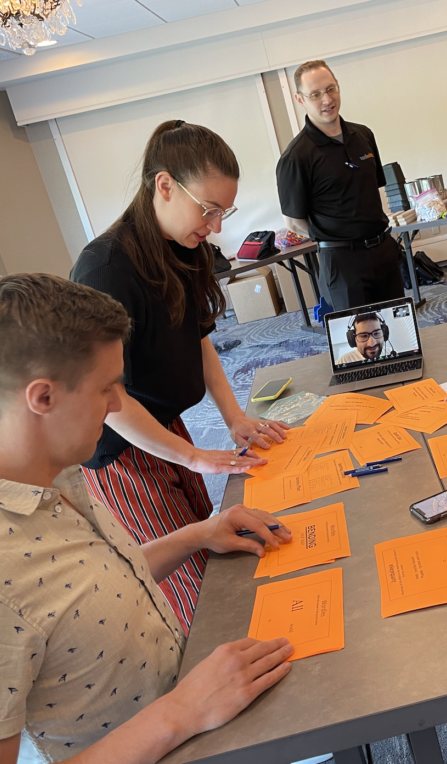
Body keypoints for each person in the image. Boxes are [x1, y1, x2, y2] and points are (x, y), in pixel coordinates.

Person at [0, 274, 294, 763]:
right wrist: (178, 713)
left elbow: (85, 594)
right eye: (107, 387)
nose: (119, 405)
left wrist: (196, 536)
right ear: (43, 398)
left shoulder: (41, 475)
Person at [71, 120, 288, 633]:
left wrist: (234, 418)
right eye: (208, 209)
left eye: (223, 212)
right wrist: (190, 455)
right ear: (164, 186)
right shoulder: (105, 268)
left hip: (168, 427)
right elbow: (108, 396)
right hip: (123, 452)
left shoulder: (185, 247)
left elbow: (199, 338)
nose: (215, 225)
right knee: (194, 585)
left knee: (220, 543)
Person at [276, 60, 404, 311]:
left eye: (330, 89)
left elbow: (374, 191)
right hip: (342, 263)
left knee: (399, 334)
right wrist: (337, 237)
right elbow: (293, 223)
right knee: (358, 340)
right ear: (299, 99)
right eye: (315, 94)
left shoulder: (364, 135)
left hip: (383, 250)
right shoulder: (296, 157)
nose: (326, 99)